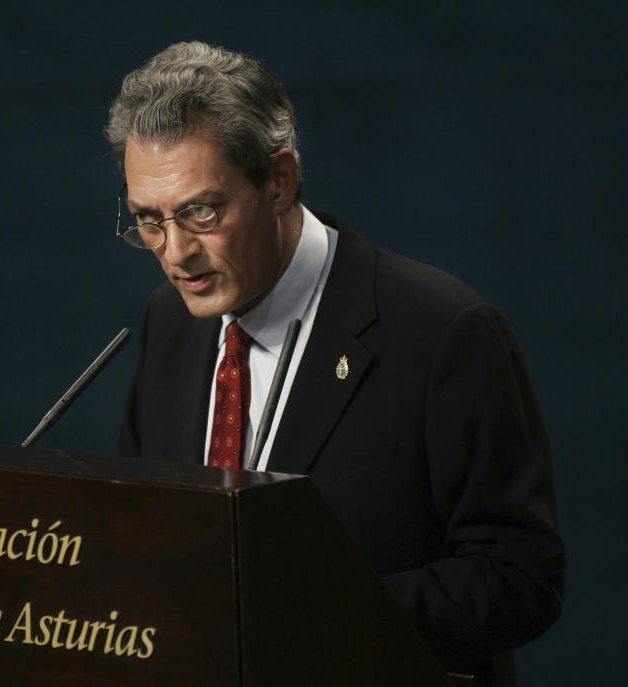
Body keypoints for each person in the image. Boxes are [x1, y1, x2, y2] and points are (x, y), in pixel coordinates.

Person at [107, 41, 564, 687]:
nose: (176, 251)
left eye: (201, 212)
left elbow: (521, 576)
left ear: (280, 180)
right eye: (148, 221)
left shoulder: (442, 333)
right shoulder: (169, 321)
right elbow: (147, 535)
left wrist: (313, 621)